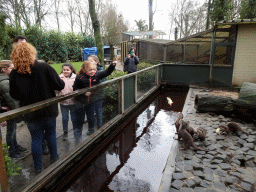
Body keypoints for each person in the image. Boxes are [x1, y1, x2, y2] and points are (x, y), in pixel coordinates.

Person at [9, 42, 65, 173]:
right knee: (51, 135)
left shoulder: (14, 72)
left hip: (30, 113)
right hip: (49, 110)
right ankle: (54, 159)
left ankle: (38, 168)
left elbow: (14, 94)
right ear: (32, 52)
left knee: (36, 138)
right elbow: (60, 85)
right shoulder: (44, 66)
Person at [72, 60, 116, 142]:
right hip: (81, 102)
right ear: (85, 70)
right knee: (80, 118)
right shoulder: (79, 77)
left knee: (91, 117)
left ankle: (91, 130)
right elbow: (75, 88)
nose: (92, 71)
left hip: (91, 101)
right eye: (90, 70)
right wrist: (83, 93)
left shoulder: (97, 75)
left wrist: (112, 65)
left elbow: (106, 72)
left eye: (94, 69)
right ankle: (78, 135)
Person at [0, 60, 28, 159]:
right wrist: (19, 113)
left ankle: (15, 146)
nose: (14, 70)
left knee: (13, 129)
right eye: (11, 68)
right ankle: (12, 151)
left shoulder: (6, 79)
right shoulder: (4, 82)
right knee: (11, 131)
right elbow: (12, 101)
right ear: (4, 69)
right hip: (8, 110)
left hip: (9, 109)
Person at [55, 63, 76, 141]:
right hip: (63, 103)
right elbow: (56, 88)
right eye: (64, 70)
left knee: (74, 118)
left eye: (67, 70)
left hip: (73, 101)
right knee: (65, 118)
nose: (65, 71)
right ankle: (65, 132)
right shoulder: (59, 77)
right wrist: (58, 93)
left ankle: (75, 131)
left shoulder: (75, 77)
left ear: (71, 70)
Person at [88, 55, 106, 129]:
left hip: (98, 94)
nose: (88, 62)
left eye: (90, 61)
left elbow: (104, 82)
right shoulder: (87, 71)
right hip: (90, 95)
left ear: (96, 62)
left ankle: (99, 125)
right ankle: (91, 127)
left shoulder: (100, 71)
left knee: (98, 109)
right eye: (88, 61)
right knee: (91, 111)